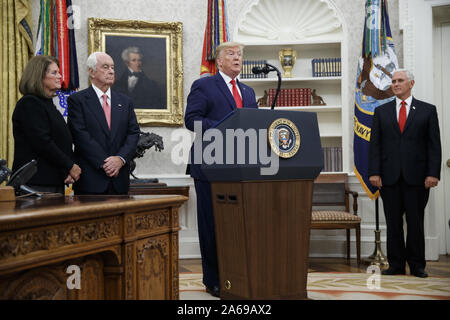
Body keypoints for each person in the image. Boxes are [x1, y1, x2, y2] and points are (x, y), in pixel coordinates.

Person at [184, 42, 258, 297]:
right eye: (231, 54)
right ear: (219, 60)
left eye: (240, 54)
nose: (237, 58)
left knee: (237, 225)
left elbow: (254, 126)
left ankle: (237, 275)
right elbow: (191, 121)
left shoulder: (248, 92)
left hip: (241, 168)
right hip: (209, 165)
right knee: (212, 224)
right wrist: (226, 127)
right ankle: (213, 280)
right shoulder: (204, 85)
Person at [368, 69, 442, 278]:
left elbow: (433, 145)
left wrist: (433, 173)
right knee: (393, 224)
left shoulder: (428, 110)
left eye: (400, 81)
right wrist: (374, 172)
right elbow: (375, 145)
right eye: (393, 81)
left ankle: (417, 265)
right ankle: (396, 265)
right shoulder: (381, 112)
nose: (396, 84)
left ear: (411, 83)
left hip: (418, 178)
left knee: (415, 223)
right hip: (388, 178)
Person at [68, 52, 140, 195]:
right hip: (91, 180)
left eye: (112, 67)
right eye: (105, 67)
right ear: (91, 71)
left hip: (119, 180)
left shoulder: (125, 102)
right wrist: (105, 163)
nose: (111, 71)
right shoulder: (78, 100)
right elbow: (80, 136)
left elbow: (133, 134)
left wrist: (120, 159)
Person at [12, 56, 81, 194]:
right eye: (54, 73)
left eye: (59, 72)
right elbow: (43, 142)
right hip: (36, 183)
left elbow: (61, 141)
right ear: (39, 76)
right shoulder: (29, 103)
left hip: (53, 180)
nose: (60, 77)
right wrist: (69, 165)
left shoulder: (48, 104)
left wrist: (66, 170)